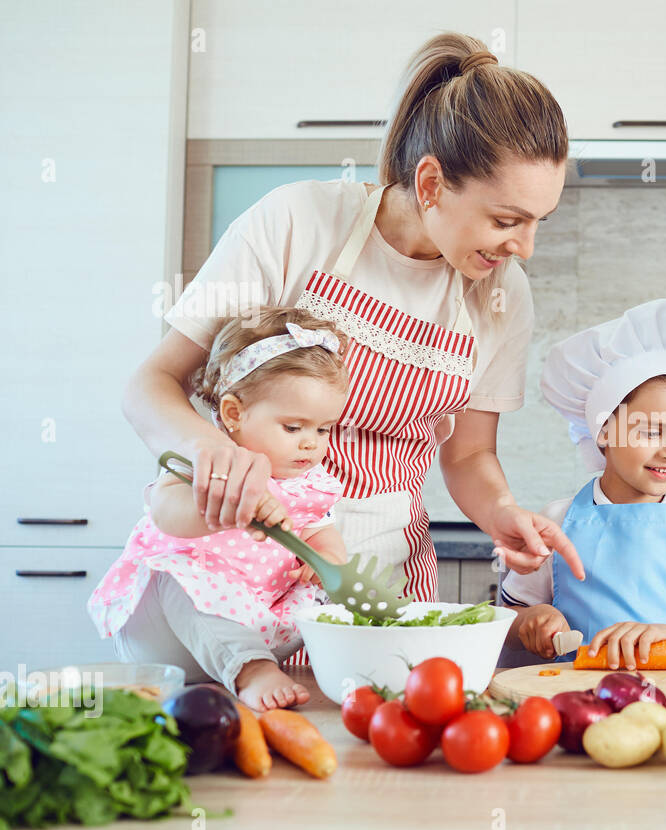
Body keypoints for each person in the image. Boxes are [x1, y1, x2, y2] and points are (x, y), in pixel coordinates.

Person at [122, 31, 584, 623]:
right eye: (506, 220)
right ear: (431, 184)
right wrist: (213, 451)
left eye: (539, 222)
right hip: (241, 567)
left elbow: (468, 454)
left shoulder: (501, 295)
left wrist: (502, 512)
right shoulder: (297, 222)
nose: (525, 246)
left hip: (376, 577)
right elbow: (151, 384)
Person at [89, 308, 349, 710]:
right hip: (168, 637)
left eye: (323, 429)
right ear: (234, 413)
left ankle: (268, 661)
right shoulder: (203, 459)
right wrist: (229, 508)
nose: (311, 443)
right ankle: (251, 670)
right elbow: (165, 514)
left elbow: (320, 528)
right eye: (294, 428)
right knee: (174, 570)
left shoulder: (307, 483)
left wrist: (328, 557)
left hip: (257, 626)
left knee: (319, 592)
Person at [498, 300, 666, 671]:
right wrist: (534, 620)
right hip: (574, 699)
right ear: (603, 433)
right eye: (650, 431)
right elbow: (512, 617)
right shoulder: (556, 520)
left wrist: (665, 636)